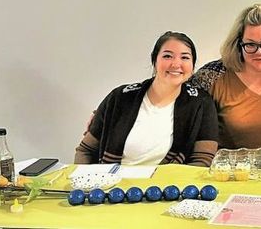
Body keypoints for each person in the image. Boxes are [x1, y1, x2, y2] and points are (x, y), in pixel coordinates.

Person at [74, 32, 218, 166]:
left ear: (192, 66)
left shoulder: (201, 103)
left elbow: (202, 160)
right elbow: (85, 151)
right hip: (111, 186)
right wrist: (86, 184)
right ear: (154, 61)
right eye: (167, 56)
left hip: (169, 189)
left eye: (185, 57)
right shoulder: (120, 97)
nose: (176, 64)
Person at [191, 4, 261, 149]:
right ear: (239, 44)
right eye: (250, 45)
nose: (260, 52)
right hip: (232, 168)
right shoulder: (212, 77)